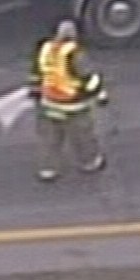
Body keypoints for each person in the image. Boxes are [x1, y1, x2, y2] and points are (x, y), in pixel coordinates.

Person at [30, 19, 109, 182]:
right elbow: (89, 78)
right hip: (73, 104)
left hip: (49, 102)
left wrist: (36, 91)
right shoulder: (74, 53)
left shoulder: (46, 49)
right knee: (83, 136)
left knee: (50, 139)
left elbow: (38, 74)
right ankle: (89, 162)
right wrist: (100, 94)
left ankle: (48, 169)